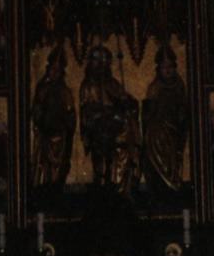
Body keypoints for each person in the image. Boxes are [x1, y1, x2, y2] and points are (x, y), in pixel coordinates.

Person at [80, 42, 139, 194]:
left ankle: (122, 186)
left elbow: (125, 99)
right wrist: (107, 113)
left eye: (105, 61)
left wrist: (128, 103)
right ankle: (108, 187)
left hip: (117, 130)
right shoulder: (88, 85)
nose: (101, 65)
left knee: (127, 133)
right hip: (101, 129)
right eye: (98, 61)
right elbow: (87, 112)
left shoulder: (112, 83)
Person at [142, 43, 189, 198]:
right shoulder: (155, 87)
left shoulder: (179, 85)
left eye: (170, 67)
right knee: (158, 161)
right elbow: (149, 111)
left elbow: (183, 106)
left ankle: (172, 186)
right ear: (159, 70)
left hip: (174, 129)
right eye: (164, 67)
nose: (167, 70)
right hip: (158, 130)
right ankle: (161, 190)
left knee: (173, 159)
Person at [30, 46, 75, 197]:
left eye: (58, 70)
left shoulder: (65, 91)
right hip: (44, 133)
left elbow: (70, 112)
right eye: (52, 69)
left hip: (59, 136)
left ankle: (54, 189)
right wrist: (38, 115)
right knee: (43, 164)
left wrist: (67, 126)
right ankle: (43, 188)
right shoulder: (42, 88)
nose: (54, 73)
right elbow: (36, 107)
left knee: (58, 166)